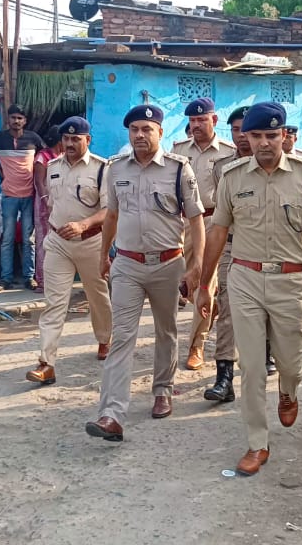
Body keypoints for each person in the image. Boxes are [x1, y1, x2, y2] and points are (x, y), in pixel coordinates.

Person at [196, 101, 302, 476]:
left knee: (291, 363)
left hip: (289, 280)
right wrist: (205, 284)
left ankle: (289, 391)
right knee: (252, 366)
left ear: (285, 135)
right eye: (255, 135)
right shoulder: (233, 177)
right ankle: (257, 443)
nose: (263, 143)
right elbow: (218, 231)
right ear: (245, 137)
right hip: (244, 278)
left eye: (271, 135)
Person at [85, 104, 206, 442]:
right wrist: (103, 256)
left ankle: (163, 390)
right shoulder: (116, 168)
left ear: (160, 132)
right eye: (134, 129)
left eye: (146, 129)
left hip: (168, 263)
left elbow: (196, 219)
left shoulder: (179, 169)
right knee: (122, 336)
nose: (139, 135)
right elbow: (111, 215)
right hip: (127, 263)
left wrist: (195, 265)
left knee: (166, 330)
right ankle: (111, 413)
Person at [27, 117, 112, 386]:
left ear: (88, 140)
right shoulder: (52, 167)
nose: (71, 143)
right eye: (66, 139)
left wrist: (83, 224)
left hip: (91, 242)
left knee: (98, 296)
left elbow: (110, 211)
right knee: (54, 303)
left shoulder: (102, 169)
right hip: (58, 243)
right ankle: (46, 362)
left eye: (77, 139)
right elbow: (52, 203)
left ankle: (105, 339)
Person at [172, 98, 238, 371]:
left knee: (203, 281)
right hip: (183, 223)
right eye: (193, 120)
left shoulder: (228, 152)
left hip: (215, 222)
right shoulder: (178, 150)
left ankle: (196, 346)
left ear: (214, 120)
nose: (196, 124)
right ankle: (209, 318)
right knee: (189, 281)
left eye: (202, 119)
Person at [224, 106, 278, 378]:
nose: (245, 137)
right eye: (239, 130)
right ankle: (224, 375)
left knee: (266, 305)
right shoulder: (223, 168)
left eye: (254, 132)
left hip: (268, 249)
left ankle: (267, 353)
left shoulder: (287, 168)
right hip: (231, 246)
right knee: (226, 307)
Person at [0, 104, 47, 292]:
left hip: (30, 195)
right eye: (13, 117)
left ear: (25, 121)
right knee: (7, 238)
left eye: (20, 118)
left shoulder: (34, 139)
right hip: (9, 195)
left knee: (28, 239)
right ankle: (5, 279)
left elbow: (46, 157)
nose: (17, 121)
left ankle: (29, 278)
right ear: (9, 119)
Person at [33, 127, 64, 293]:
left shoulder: (63, 157)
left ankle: (57, 280)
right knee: (44, 242)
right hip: (45, 205)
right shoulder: (42, 157)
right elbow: (39, 183)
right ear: (60, 141)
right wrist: (47, 202)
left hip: (61, 205)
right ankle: (42, 281)